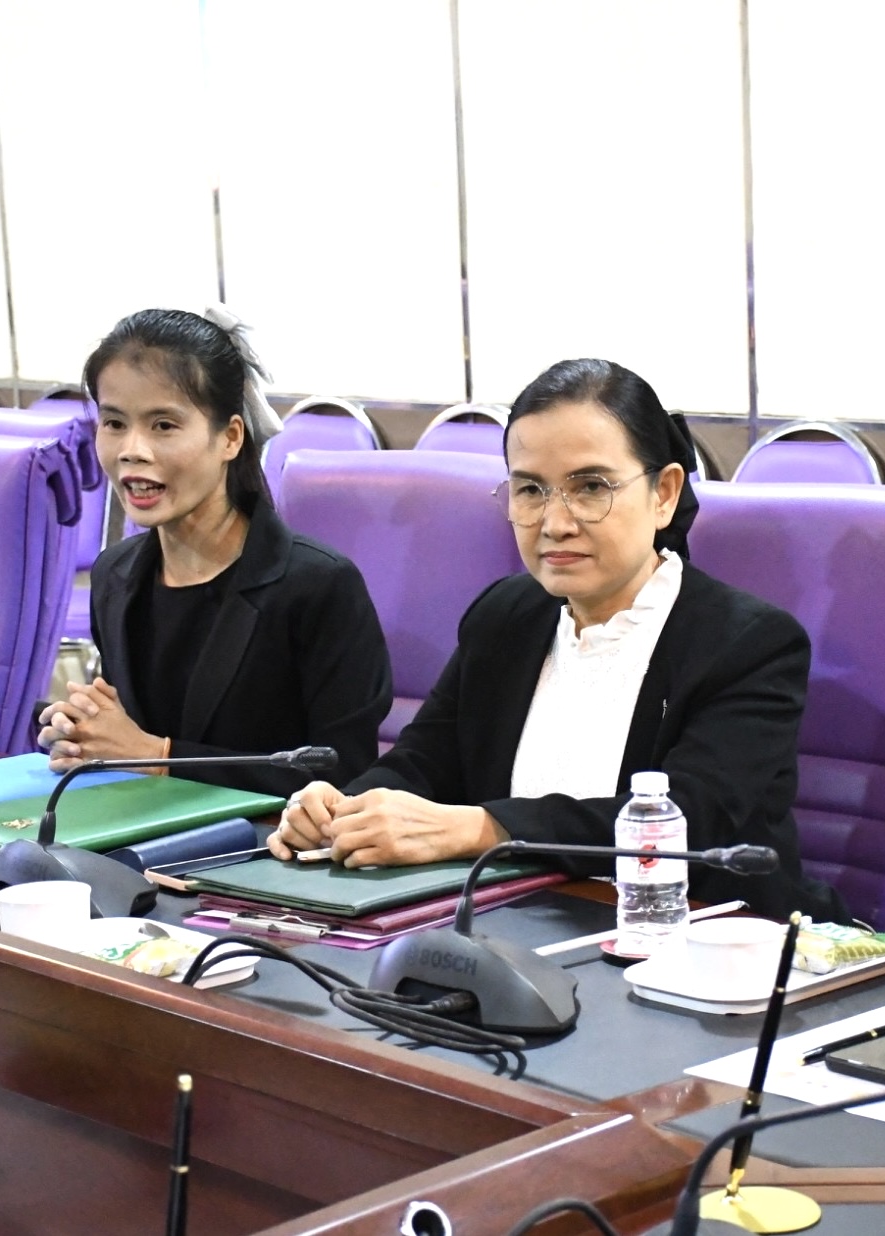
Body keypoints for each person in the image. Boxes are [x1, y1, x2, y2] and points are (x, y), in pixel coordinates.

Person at [269, 358, 846, 922]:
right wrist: (345, 809)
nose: (555, 523)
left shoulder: (747, 643)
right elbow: (424, 762)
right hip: (515, 923)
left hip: (703, 939)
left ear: (664, 493)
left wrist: (486, 829)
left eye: (590, 487)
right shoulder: (506, 615)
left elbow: (689, 822)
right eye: (530, 490)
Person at [37, 306, 392, 797]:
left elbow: (344, 774)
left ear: (230, 437)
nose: (132, 449)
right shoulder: (114, 574)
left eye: (163, 425)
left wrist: (158, 756)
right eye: (114, 423)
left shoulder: (317, 585)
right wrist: (86, 736)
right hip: (144, 826)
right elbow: (131, 745)